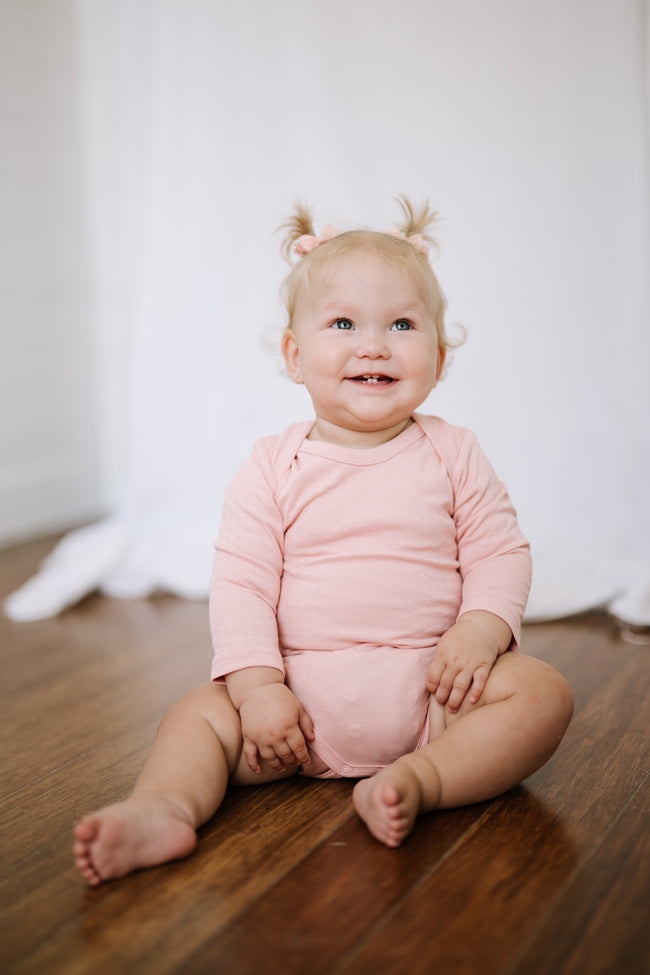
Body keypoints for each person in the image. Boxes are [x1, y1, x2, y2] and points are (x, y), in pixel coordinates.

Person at [73, 198, 573, 885]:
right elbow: (243, 582)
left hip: (435, 695)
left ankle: (421, 780)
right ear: (294, 353)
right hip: (295, 712)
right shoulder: (273, 465)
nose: (373, 344)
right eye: (343, 323)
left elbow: (500, 551)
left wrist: (481, 632)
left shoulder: (454, 451)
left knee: (543, 694)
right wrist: (256, 689)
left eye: (401, 323)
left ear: (440, 354)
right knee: (197, 715)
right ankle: (162, 808)